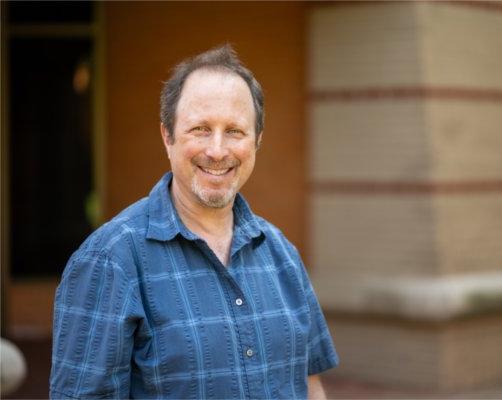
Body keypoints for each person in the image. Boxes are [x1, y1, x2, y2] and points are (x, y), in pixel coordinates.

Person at [50, 44, 338, 399]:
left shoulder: (282, 254)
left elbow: (310, 385)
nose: (217, 151)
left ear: (257, 141)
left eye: (234, 131)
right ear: (167, 137)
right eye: (200, 128)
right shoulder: (109, 260)